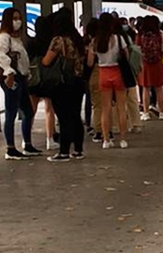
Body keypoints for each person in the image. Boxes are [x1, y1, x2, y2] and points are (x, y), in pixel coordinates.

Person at [0, 7, 40, 160]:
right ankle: (10, 148)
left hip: (21, 77)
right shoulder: (4, 37)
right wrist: (9, 72)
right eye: (14, 18)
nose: (17, 21)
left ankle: (27, 144)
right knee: (11, 112)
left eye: (19, 18)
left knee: (27, 111)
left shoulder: (16, 38)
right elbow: (0, 55)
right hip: (11, 78)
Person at [41, 12, 88, 161]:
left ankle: (63, 151)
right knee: (75, 115)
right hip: (78, 82)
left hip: (62, 83)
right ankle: (78, 150)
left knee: (63, 117)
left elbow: (47, 61)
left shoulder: (58, 40)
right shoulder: (78, 40)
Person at [90, 13, 131, 149]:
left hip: (103, 73)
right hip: (118, 72)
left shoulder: (95, 41)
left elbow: (90, 62)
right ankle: (123, 139)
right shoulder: (118, 39)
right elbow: (127, 55)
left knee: (105, 108)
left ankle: (106, 140)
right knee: (121, 107)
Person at [28, 13, 58, 151]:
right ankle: (50, 139)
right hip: (48, 78)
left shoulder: (32, 43)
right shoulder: (51, 43)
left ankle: (26, 139)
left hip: (34, 79)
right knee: (48, 109)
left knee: (31, 110)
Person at [137, 16, 163, 120]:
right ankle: (162, 113)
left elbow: (137, 50)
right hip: (157, 63)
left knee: (145, 89)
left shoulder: (140, 35)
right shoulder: (159, 35)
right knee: (158, 88)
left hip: (144, 64)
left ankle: (145, 113)